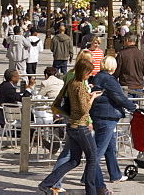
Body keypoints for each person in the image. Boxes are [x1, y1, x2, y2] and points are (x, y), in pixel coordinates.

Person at [39, 57, 104, 195]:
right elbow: (83, 109)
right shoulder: (80, 85)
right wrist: (92, 98)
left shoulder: (71, 83)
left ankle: (46, 183)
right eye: (88, 73)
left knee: (74, 160)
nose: (89, 76)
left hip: (71, 125)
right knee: (92, 158)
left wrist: (88, 95)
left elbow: (74, 102)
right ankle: (91, 191)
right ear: (83, 72)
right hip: (81, 126)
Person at [90, 55, 136, 186]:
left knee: (110, 148)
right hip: (108, 115)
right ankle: (88, 176)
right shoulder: (109, 79)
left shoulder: (98, 76)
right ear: (113, 66)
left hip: (98, 114)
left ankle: (115, 174)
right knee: (99, 149)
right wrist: (133, 107)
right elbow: (119, 97)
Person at [115, 31, 144, 96]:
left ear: (127, 40)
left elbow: (117, 71)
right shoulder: (141, 54)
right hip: (138, 85)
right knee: (137, 105)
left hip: (126, 85)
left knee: (127, 105)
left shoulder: (122, 54)